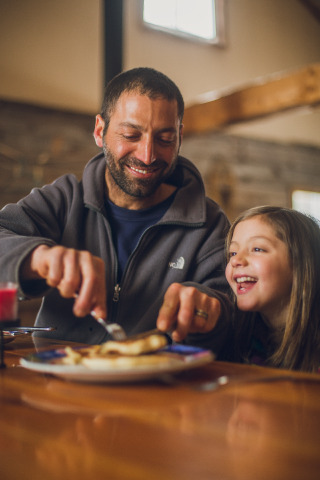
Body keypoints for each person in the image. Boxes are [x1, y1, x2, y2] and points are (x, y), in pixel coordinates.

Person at [0, 67, 231, 353]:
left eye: (165, 139)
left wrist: (212, 310)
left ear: (180, 137)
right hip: (57, 380)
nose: (147, 155)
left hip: (161, 388)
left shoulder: (210, 224)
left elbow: (231, 311)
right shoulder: (63, 199)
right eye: (131, 135)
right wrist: (39, 258)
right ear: (100, 131)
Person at [225, 205, 320, 372]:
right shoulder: (241, 335)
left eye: (257, 249)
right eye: (232, 252)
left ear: (300, 265)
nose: (236, 260)